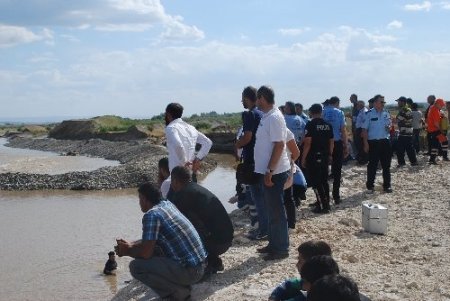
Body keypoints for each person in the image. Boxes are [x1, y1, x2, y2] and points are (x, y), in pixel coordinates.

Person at [115, 182, 207, 301]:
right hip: (201, 266)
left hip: (191, 272)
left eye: (139, 199)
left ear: (144, 199)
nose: (139, 203)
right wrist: (131, 244)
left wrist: (127, 251)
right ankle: (178, 286)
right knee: (154, 251)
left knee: (136, 266)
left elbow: (145, 253)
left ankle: (179, 292)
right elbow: (152, 239)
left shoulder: (151, 215)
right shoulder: (167, 204)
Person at [170, 166, 234, 276]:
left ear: (175, 181)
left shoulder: (182, 195)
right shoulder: (195, 188)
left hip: (217, 243)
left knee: (179, 232)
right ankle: (214, 261)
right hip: (227, 238)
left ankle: (204, 266)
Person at [254, 85, 291, 261]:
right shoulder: (267, 116)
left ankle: (281, 248)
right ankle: (273, 244)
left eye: (257, 98)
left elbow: (279, 145)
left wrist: (269, 170)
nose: (256, 102)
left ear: (262, 98)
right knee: (271, 210)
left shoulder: (275, 117)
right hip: (268, 171)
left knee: (276, 211)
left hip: (274, 172)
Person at [235, 86, 266, 241]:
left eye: (242, 99)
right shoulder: (263, 114)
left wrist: (236, 145)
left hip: (251, 161)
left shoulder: (249, 114)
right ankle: (265, 227)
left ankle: (260, 229)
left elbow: (247, 137)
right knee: (263, 196)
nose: (242, 102)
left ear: (247, 98)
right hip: (262, 159)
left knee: (255, 197)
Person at [164, 102, 212, 181]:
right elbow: (208, 142)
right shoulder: (191, 128)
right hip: (191, 174)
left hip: (178, 176)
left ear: (168, 114)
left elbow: (178, 145)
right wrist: (197, 159)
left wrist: (184, 163)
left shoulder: (171, 128)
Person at [301, 104, 334, 214]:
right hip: (325, 155)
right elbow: (331, 142)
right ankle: (326, 202)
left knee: (316, 182)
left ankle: (322, 206)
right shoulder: (328, 125)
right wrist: (330, 154)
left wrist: (303, 158)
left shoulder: (310, 125)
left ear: (311, 112)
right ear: (321, 112)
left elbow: (308, 143)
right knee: (324, 180)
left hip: (313, 156)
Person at [362, 95, 392, 193]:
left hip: (385, 141)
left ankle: (387, 185)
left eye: (384, 102)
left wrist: (390, 127)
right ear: (375, 103)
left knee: (386, 165)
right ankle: (370, 186)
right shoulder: (369, 114)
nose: (383, 104)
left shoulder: (386, 113)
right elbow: (364, 130)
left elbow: (390, 126)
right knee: (373, 165)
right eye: (381, 102)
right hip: (373, 142)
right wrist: (365, 143)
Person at [322, 96, 348, 204]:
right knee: (337, 170)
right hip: (337, 143)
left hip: (324, 144)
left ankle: (323, 197)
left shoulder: (323, 112)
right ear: (337, 102)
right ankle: (336, 196)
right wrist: (345, 145)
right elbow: (343, 130)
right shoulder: (340, 112)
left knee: (323, 171)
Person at [395, 96, 418, 167]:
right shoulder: (406, 109)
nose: (398, 103)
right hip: (406, 132)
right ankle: (413, 162)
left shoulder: (405, 110)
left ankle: (402, 163)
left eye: (398, 102)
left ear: (403, 102)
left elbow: (398, 119)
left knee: (400, 148)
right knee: (408, 148)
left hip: (405, 132)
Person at [427, 98, 448, 164]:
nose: (442, 106)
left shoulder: (432, 108)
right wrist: (441, 130)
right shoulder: (435, 110)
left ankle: (432, 160)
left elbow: (435, 118)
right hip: (435, 129)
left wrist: (441, 116)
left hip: (432, 130)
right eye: (441, 105)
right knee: (444, 141)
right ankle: (444, 157)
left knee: (435, 145)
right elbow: (436, 123)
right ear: (438, 104)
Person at [355, 100, 368, 164]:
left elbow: (365, 122)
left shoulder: (364, 111)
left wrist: (363, 132)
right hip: (359, 129)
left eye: (357, 104)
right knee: (359, 144)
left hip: (361, 130)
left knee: (361, 145)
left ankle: (364, 159)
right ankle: (361, 158)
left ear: (361, 105)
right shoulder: (361, 111)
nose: (356, 106)